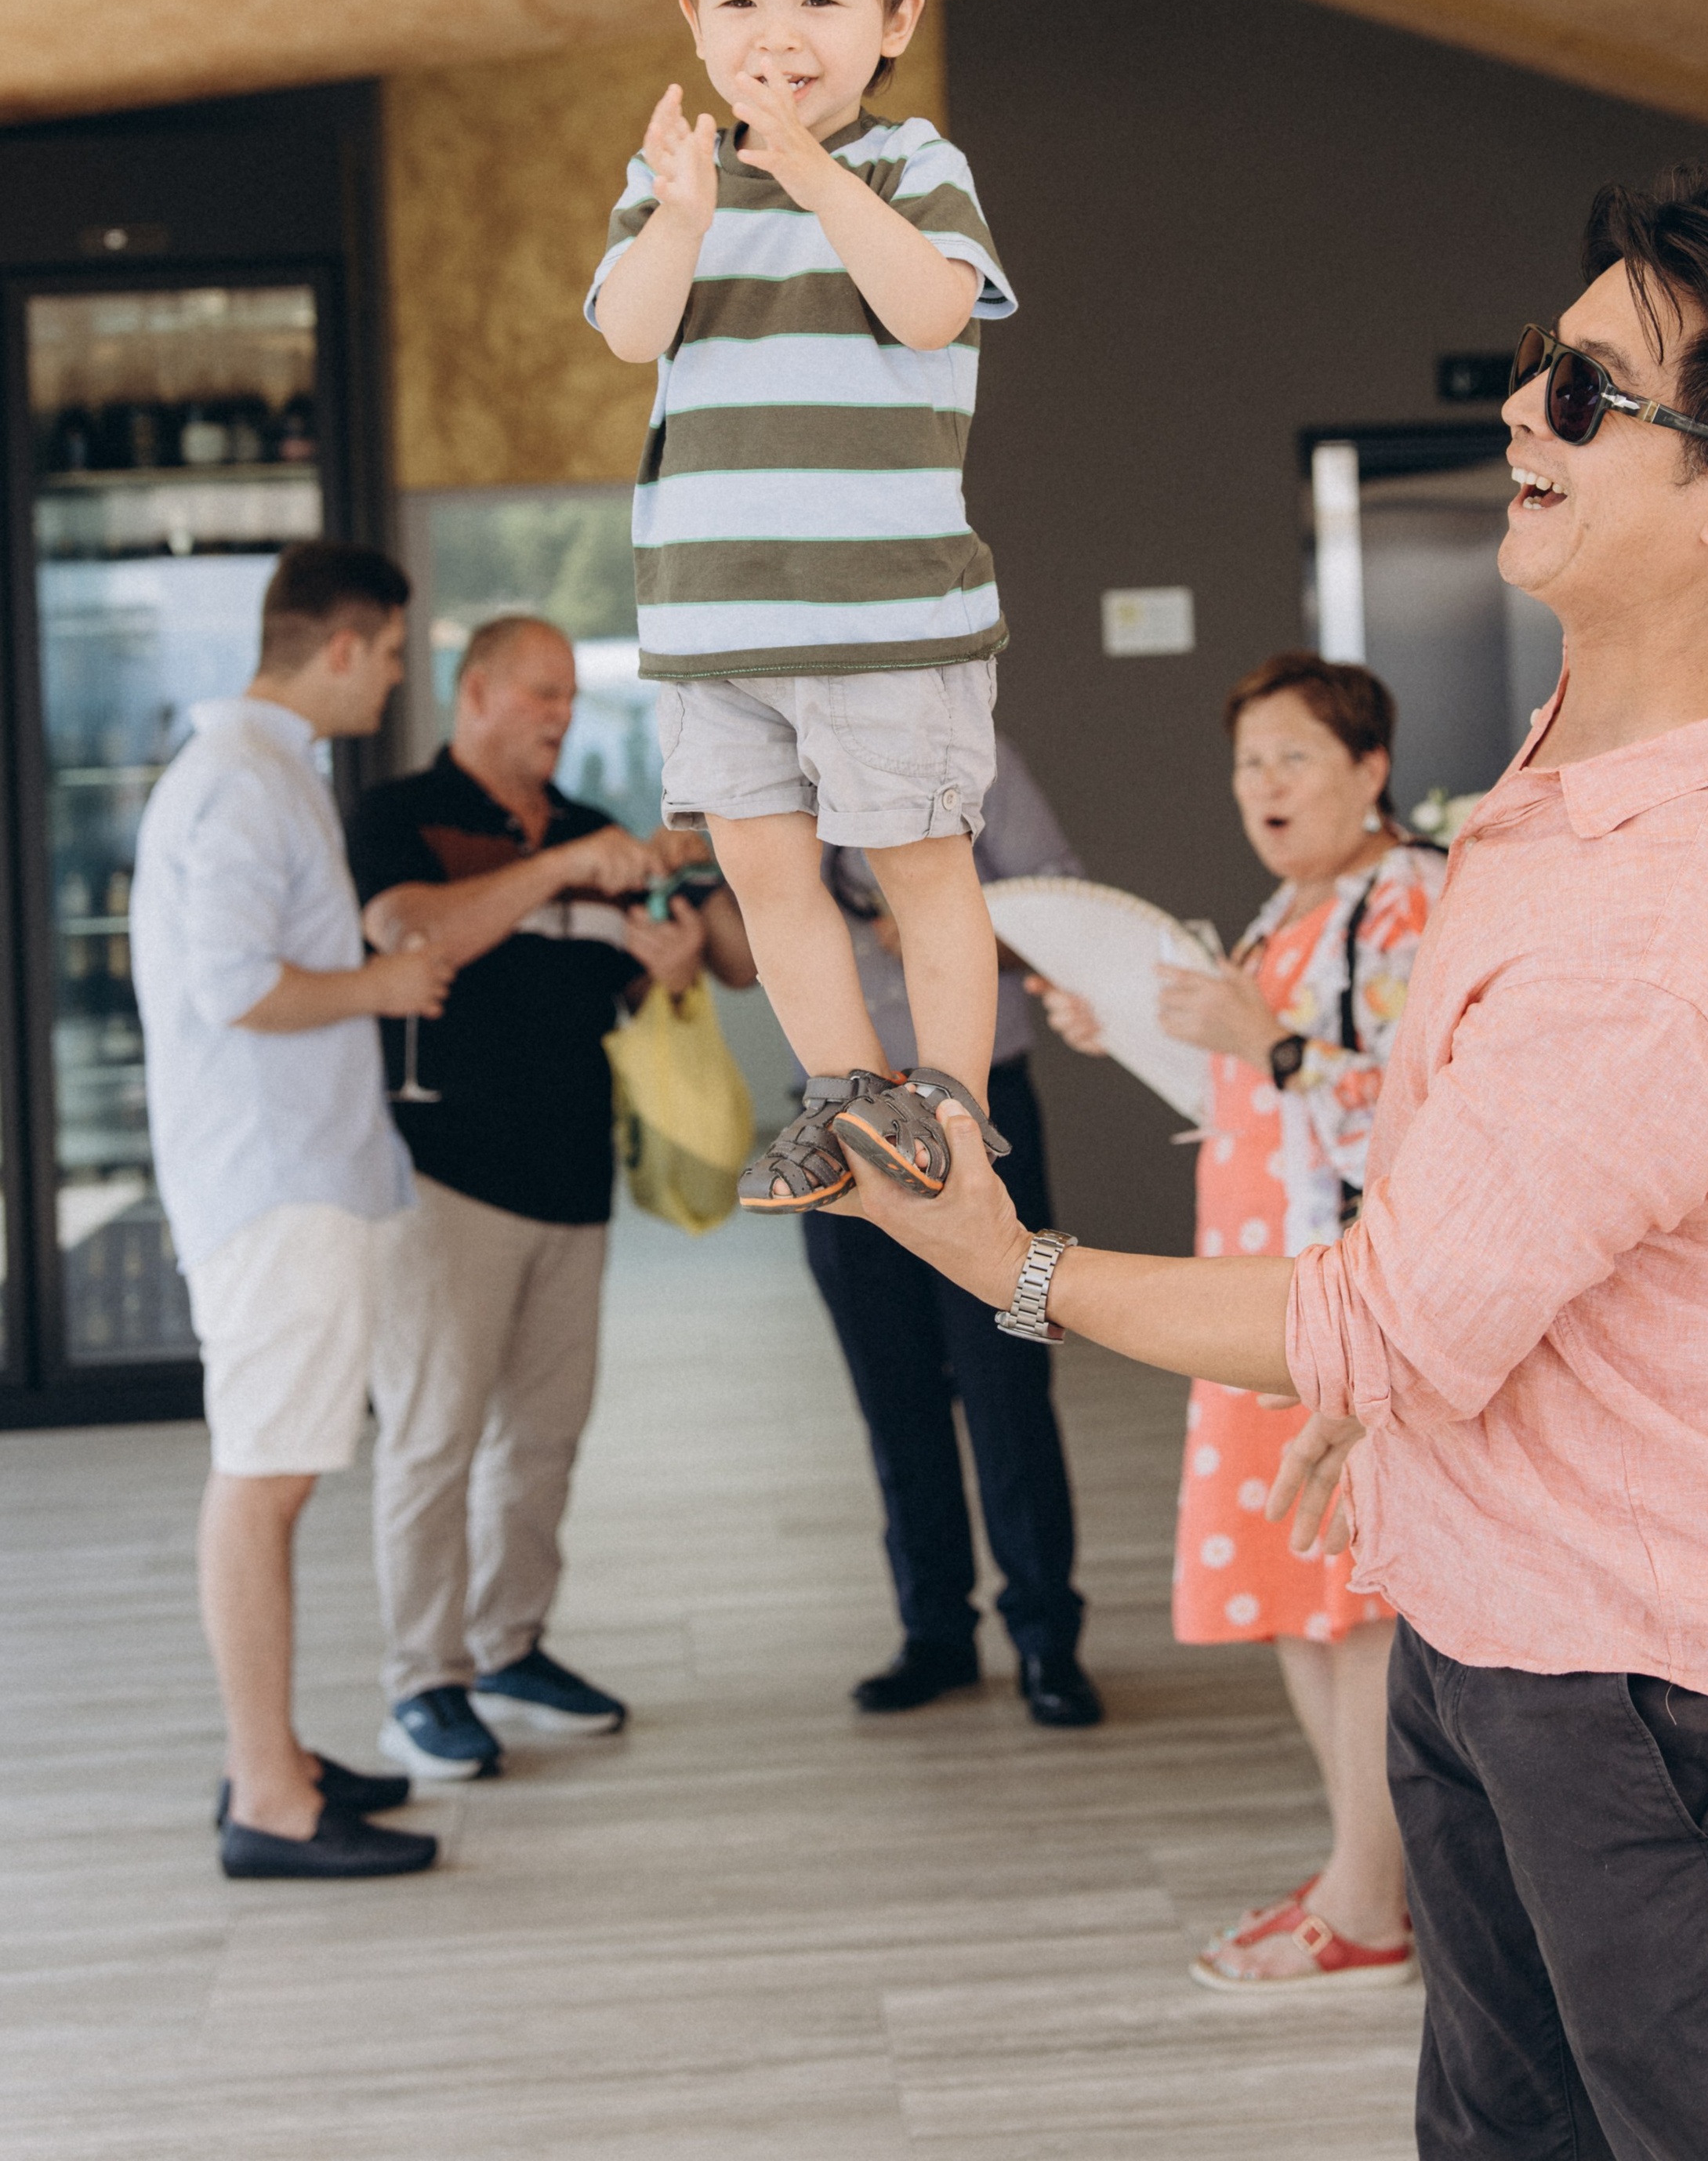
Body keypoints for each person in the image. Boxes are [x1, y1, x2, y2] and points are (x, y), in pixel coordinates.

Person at [830, 150, 1708, 2161]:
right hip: (1491, 1623)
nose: (1518, 410)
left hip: (1640, 1697)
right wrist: (1399, 1422)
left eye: (1585, 395)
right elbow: (1476, 1238)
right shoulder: (1594, 749)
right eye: (1536, 362)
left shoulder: (1667, 916)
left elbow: (1391, 1305)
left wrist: (1013, 1267)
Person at [588, 0, 1016, 1216]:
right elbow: (631, 337)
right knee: (766, 872)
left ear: (893, 19)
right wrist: (685, 215)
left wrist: (815, 170)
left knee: (916, 863)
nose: (781, 32)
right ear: (693, 18)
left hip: (886, 613)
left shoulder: (912, 168)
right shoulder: (673, 188)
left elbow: (935, 304)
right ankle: (846, 1093)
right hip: (719, 626)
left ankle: (947, 1098)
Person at [1039, 657, 1445, 1983]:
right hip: (1256, 1292)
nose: (1262, 788)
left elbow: (1421, 1112)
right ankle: (1356, 1871)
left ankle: (1371, 1901)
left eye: (1294, 760)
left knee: (1359, 1593)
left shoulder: (1411, 899)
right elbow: (1252, 1098)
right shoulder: (1296, 905)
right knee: (1291, 1584)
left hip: (1338, 1295)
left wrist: (1262, 1036)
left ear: (1369, 769)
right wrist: (1137, 1036)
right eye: (1248, 764)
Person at [347, 615, 755, 1782]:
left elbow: (731, 961)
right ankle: (422, 1683)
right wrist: (562, 869)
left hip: (575, 1181)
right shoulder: (400, 815)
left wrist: (686, 894)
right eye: (539, 693)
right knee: (433, 1439)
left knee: (544, 1441)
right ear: (472, 692)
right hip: (444, 1179)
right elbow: (408, 929)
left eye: (569, 696)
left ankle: (509, 1648)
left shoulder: (595, 832)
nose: (559, 714)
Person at [130, 541, 450, 1880]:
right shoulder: (245, 785)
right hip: (274, 1189)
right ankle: (267, 1795)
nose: (392, 681)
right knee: (260, 1483)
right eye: (387, 655)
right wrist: (380, 989)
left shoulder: (264, 775)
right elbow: (234, 989)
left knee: (280, 1473)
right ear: (338, 647)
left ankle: (276, 1756)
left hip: (300, 1173)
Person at [809, 736, 1101, 1728]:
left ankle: (1045, 1642)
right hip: (841, 1128)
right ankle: (933, 1633)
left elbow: (1064, 907)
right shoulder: (773, 784)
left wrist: (944, 926)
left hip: (976, 1113)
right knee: (893, 1402)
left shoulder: (968, 756)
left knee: (1007, 1388)